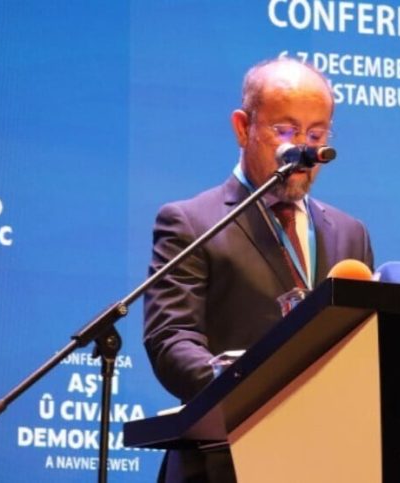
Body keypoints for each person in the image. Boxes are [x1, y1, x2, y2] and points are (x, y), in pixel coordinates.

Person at [143, 57, 374, 482]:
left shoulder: (350, 233)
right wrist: (244, 385)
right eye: (284, 132)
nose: (302, 150)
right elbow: (171, 339)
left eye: (315, 135)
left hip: (327, 461)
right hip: (222, 461)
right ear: (242, 127)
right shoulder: (191, 222)